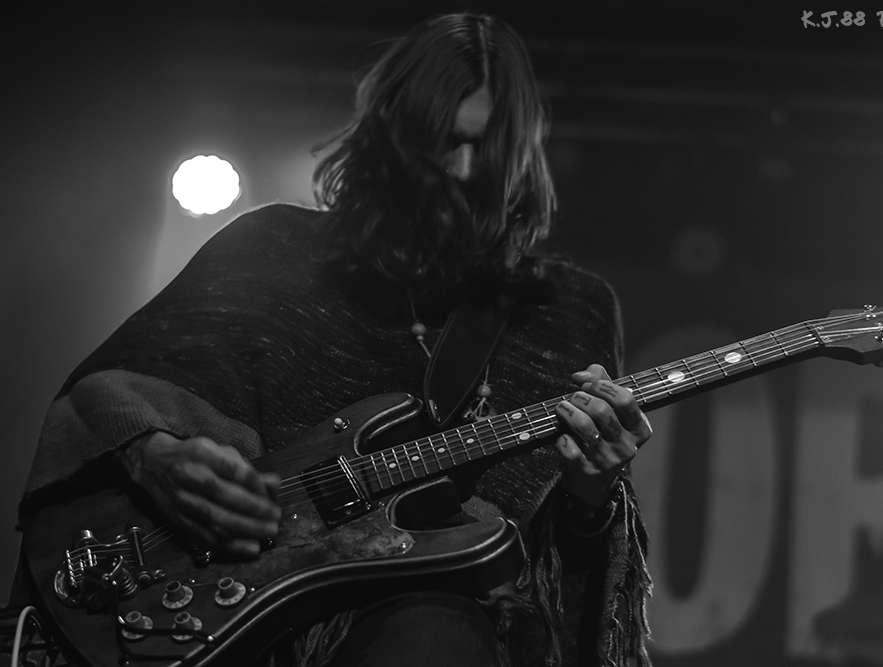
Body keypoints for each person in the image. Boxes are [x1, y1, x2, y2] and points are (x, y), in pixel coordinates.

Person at [20, 12, 652, 667]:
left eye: (484, 148)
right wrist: (155, 451)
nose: (463, 169)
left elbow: (561, 574)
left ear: (518, 155)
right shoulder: (272, 249)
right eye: (439, 143)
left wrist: (589, 494)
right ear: (387, 137)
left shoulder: (568, 309)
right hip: (246, 618)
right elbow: (116, 391)